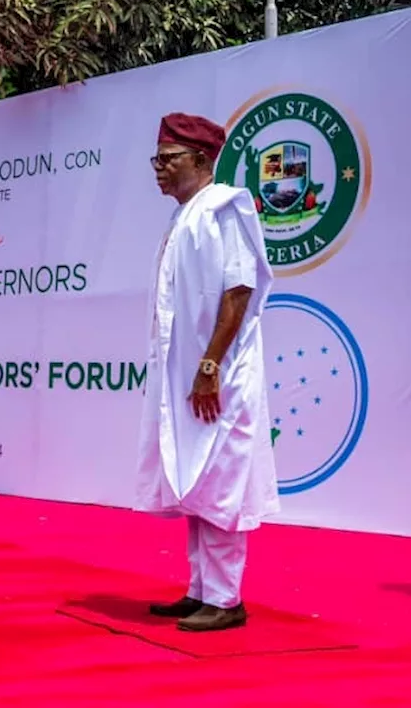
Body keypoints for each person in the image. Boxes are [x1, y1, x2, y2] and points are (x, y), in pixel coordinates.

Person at [135, 112, 279, 632]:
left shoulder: (224, 209)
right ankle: (199, 591)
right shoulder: (186, 216)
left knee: (219, 482)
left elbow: (239, 292)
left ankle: (226, 599)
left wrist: (211, 364)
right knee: (194, 480)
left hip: (218, 376)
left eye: (168, 160)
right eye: (157, 159)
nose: (159, 170)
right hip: (190, 379)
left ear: (200, 159)